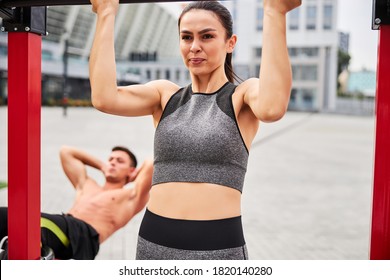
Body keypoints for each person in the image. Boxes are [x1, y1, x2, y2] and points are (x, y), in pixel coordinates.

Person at [89, 0, 301, 260]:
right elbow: (104, 98)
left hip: (218, 249)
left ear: (230, 43)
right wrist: (106, 12)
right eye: (186, 37)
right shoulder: (164, 95)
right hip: (153, 244)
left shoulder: (241, 97)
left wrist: (274, 11)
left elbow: (272, 108)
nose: (195, 46)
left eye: (207, 36)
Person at [0, 145, 153, 259]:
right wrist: (102, 166)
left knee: (21, 220)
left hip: (83, 235)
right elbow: (66, 152)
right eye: (110, 159)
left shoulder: (131, 195)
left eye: (120, 161)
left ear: (131, 170)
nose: (112, 163)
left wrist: (135, 175)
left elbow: (151, 162)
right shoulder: (86, 184)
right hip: (63, 226)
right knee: (17, 240)